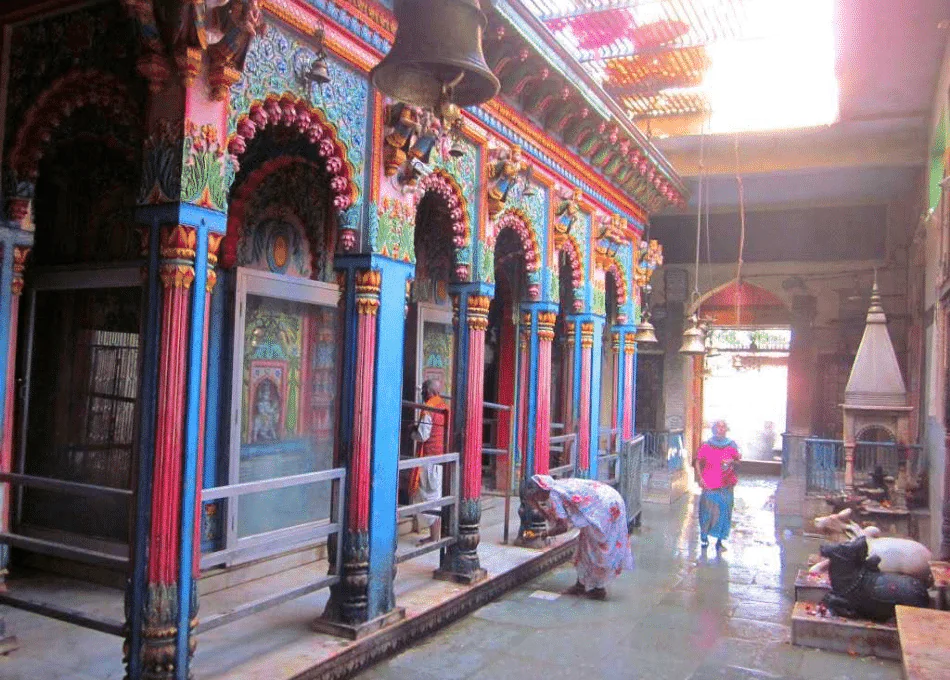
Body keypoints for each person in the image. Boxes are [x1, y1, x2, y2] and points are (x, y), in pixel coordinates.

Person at [524, 474, 634, 600]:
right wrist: (538, 507)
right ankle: (581, 585)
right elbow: (556, 517)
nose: (537, 500)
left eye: (535, 497)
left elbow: (562, 527)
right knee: (584, 547)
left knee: (598, 549)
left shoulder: (554, 495)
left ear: (540, 491)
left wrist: (541, 535)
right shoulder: (557, 487)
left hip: (604, 507)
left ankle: (598, 588)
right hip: (606, 502)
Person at [409, 379, 448, 546]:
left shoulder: (429, 409)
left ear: (429, 391)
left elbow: (422, 436)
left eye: (423, 389)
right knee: (434, 497)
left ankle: (433, 536)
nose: (422, 393)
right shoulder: (444, 407)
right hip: (439, 459)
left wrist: (412, 432)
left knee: (428, 497)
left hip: (430, 460)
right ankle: (435, 535)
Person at [695, 420, 741, 551]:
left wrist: (731, 461)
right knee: (706, 512)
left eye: (723, 427)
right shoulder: (706, 445)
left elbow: (738, 462)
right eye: (718, 427)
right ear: (713, 429)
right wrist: (700, 478)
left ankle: (719, 541)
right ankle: (704, 538)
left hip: (725, 485)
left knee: (724, 513)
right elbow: (698, 461)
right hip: (709, 484)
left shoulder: (732, 445)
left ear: (727, 429)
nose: (720, 429)